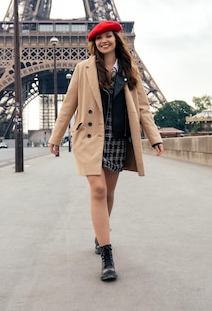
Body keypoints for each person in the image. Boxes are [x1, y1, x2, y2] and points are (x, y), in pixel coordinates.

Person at [48, 20, 164, 282]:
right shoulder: (83, 69)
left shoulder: (129, 69)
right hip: (90, 137)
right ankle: (107, 253)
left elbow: (144, 108)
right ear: (94, 43)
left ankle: (101, 235)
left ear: (116, 39)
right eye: (99, 38)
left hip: (118, 137)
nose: (104, 41)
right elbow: (69, 104)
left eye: (108, 36)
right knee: (98, 190)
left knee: (108, 192)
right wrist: (57, 136)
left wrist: (154, 137)